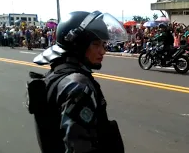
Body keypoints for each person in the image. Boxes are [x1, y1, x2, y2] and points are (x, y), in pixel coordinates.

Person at [26, 11, 127, 153]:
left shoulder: (56, 75)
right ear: (77, 45)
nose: (102, 51)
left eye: (103, 44)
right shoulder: (78, 86)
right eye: (96, 44)